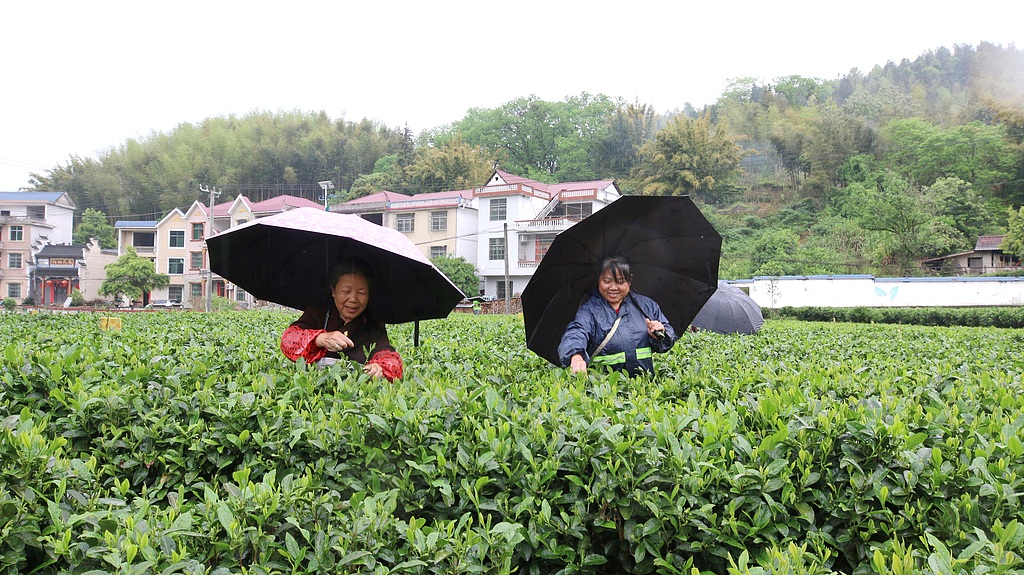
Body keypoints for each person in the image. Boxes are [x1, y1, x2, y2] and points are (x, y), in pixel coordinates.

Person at [280, 259, 404, 381]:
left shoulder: (373, 324)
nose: (353, 299)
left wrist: (379, 367)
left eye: (361, 292)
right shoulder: (316, 314)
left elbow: (389, 357)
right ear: (333, 291)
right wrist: (320, 339)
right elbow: (288, 340)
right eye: (346, 291)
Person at [558, 254, 675, 376]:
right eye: (607, 281)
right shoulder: (589, 311)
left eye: (620, 281)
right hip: (604, 390)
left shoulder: (646, 306)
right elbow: (576, 332)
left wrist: (661, 334)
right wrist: (576, 356)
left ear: (629, 280)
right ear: (599, 279)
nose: (613, 288)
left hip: (643, 388)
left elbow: (667, 340)